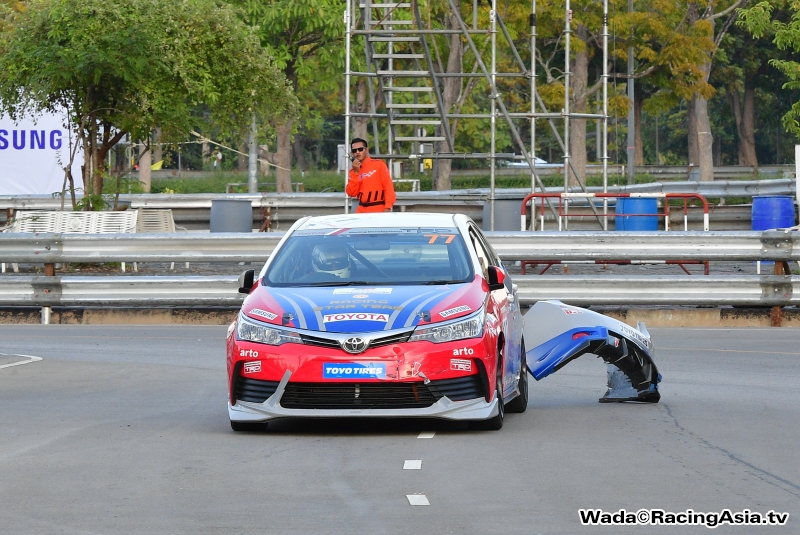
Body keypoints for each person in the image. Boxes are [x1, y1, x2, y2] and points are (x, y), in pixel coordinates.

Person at [346, 138, 396, 213]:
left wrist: (387, 208)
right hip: (361, 209)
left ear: (366, 150)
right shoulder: (353, 171)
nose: (357, 152)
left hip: (379, 207)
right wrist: (356, 173)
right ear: (352, 153)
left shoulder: (379, 165)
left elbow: (388, 188)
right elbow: (351, 193)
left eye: (360, 149)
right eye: (354, 150)